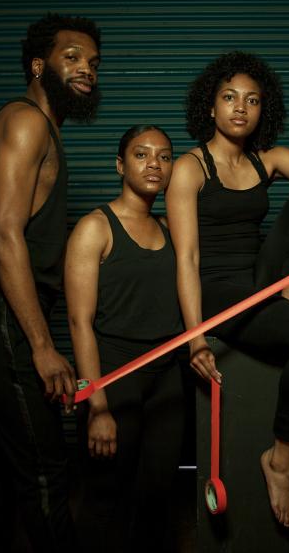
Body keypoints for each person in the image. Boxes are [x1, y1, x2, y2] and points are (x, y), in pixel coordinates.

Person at [166, 50, 289, 528]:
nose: (240, 108)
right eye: (229, 98)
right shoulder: (189, 168)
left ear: (261, 110)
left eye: (251, 100)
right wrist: (194, 336)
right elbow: (185, 259)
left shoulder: (266, 160)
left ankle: (287, 305)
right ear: (211, 106)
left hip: (259, 284)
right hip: (214, 293)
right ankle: (281, 457)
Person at [0, 13, 101, 551]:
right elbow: (6, 237)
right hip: (0, 311)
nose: (87, 69)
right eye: (73, 58)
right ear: (39, 65)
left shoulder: (44, 128)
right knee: (44, 465)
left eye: (93, 63)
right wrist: (41, 345)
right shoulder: (26, 122)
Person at [64, 125, 185, 552]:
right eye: (141, 154)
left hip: (168, 377)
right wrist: (96, 403)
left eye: (165, 156)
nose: (154, 163)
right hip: (115, 375)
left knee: (157, 495)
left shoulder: (172, 227)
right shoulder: (95, 228)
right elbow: (80, 323)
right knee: (104, 496)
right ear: (120, 164)